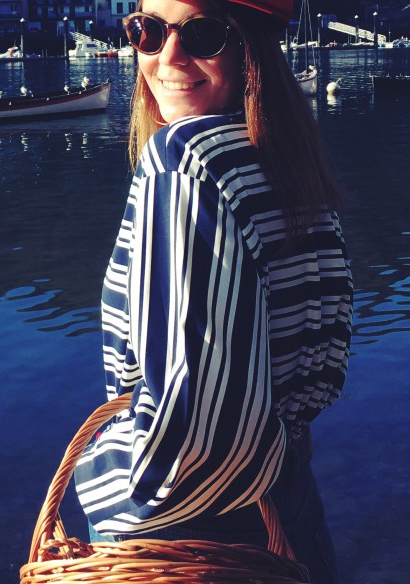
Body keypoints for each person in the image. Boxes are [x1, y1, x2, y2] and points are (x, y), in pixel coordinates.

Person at [73, 1, 353, 582]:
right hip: (288, 499)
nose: (168, 56)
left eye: (202, 34)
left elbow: (195, 444)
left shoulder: (184, 163)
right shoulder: (285, 156)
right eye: (148, 31)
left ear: (251, 47)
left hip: (192, 537)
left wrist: (95, 478)